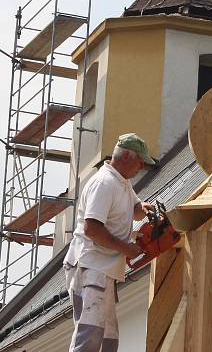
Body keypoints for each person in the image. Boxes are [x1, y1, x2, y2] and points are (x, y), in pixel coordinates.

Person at [63, 133, 158, 352]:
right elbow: (92, 229)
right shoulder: (104, 183)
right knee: (90, 332)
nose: (142, 167)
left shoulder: (122, 182)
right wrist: (127, 248)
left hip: (103, 269)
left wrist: (143, 208)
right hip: (90, 266)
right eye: (140, 161)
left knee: (108, 338)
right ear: (125, 156)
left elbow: (135, 210)